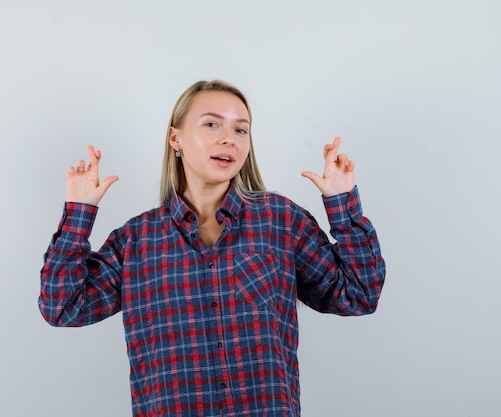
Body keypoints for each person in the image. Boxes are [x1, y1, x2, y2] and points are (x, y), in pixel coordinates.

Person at [39, 80, 386, 417]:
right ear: (176, 138)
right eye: (211, 124)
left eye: (240, 130)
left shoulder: (280, 220)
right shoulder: (136, 241)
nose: (228, 139)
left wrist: (342, 204)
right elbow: (63, 307)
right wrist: (79, 214)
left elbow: (357, 294)